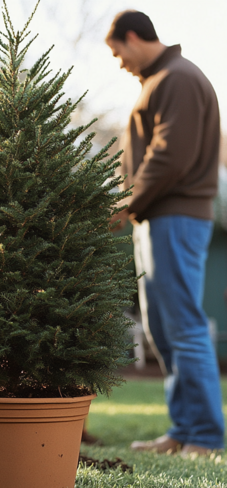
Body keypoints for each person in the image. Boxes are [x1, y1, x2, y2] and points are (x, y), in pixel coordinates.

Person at [106, 11, 224, 456]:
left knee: (184, 325)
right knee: (162, 327)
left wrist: (127, 202)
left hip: (177, 216)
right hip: (157, 218)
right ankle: (184, 430)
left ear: (133, 37)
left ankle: (206, 437)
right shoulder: (159, 81)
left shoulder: (178, 79)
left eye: (117, 51)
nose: (118, 62)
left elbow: (169, 155)